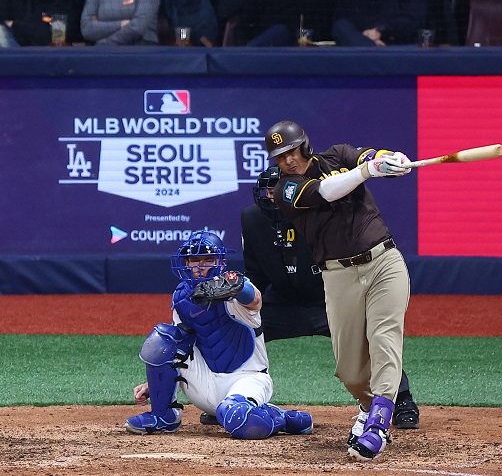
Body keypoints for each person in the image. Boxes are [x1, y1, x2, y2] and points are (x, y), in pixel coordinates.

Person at [265, 120, 413, 461]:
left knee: (384, 338)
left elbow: (372, 156)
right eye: (280, 156)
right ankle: (367, 405)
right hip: (337, 275)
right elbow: (326, 192)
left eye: (291, 151)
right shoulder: (286, 190)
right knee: (349, 370)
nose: (287, 160)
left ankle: (377, 425)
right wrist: (367, 171)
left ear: (304, 145)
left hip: (383, 261)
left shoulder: (340, 156)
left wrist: (391, 161)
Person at [238, 166, 420, 430]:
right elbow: (256, 273)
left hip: (327, 297)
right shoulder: (252, 219)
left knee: (373, 338)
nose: (272, 197)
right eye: (267, 191)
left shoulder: (320, 213)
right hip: (283, 302)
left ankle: (401, 399)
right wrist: (240, 296)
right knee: (239, 327)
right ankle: (235, 397)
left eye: (278, 191)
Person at [124, 229, 313, 439]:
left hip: (246, 379)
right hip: (204, 383)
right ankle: (163, 416)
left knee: (239, 419)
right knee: (163, 338)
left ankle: (282, 417)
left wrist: (236, 287)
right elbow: (181, 346)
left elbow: (255, 299)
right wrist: (156, 383)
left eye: (207, 259)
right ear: (186, 263)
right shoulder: (182, 298)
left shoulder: (236, 290)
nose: (200, 267)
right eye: (194, 260)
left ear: (220, 262)